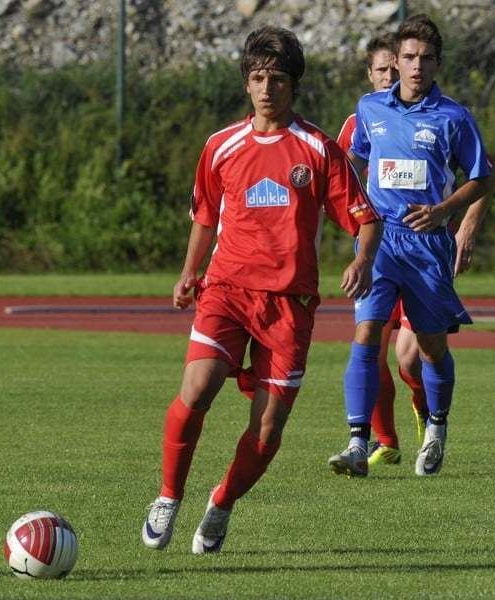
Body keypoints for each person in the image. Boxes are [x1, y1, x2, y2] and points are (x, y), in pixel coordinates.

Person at [141, 25, 382, 554]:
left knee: (269, 429)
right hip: (226, 290)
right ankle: (167, 496)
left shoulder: (318, 148)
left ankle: (221, 503)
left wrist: (363, 258)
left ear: (292, 84)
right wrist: (189, 271)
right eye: (257, 77)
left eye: (276, 77)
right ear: (246, 85)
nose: (266, 86)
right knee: (198, 387)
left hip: (289, 306)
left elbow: (365, 218)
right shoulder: (220, 147)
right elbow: (205, 215)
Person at [328, 14, 494, 478]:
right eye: (408, 58)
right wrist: (354, 216)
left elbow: (484, 176)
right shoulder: (370, 109)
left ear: (437, 63)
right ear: (395, 61)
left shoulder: (454, 117)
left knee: (430, 346)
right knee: (365, 334)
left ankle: (436, 427)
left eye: (425, 58)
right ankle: (358, 441)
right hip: (381, 242)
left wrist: (445, 212)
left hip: (427, 246)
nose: (416, 66)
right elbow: (354, 163)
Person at [337, 33, 430, 468]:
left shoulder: (433, 115)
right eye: (382, 70)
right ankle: (383, 441)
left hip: (423, 248)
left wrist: (461, 226)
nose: (391, 77)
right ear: (369, 75)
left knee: (409, 357)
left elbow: (471, 174)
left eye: (397, 68)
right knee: (370, 345)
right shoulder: (361, 121)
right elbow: (337, 181)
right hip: (378, 251)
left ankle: (425, 406)